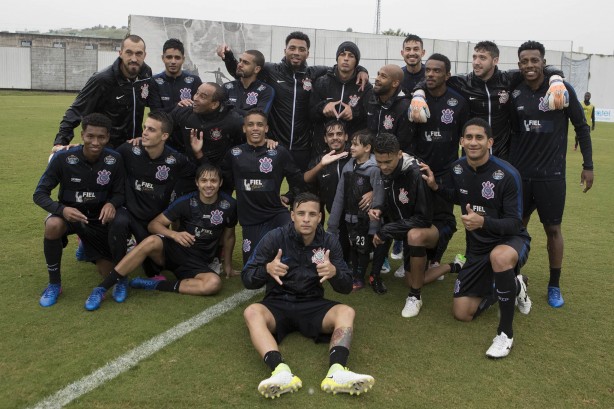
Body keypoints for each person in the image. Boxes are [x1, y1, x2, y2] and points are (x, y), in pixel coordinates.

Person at [242, 192, 375, 398]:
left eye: (312, 214)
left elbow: (346, 287)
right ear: (292, 215)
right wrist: (267, 269)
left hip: (313, 304)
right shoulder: (274, 237)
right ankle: (280, 371)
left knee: (346, 311)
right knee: (252, 312)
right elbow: (247, 278)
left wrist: (335, 273)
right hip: (278, 303)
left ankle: (337, 371)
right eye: (301, 213)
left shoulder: (329, 241)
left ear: (320, 217)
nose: (306, 219)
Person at [421, 117, 532, 358]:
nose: (473, 142)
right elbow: (458, 196)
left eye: (479, 137)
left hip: (510, 241)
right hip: (477, 250)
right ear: (461, 141)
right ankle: (513, 285)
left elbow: (515, 222)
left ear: (489, 142)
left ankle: (505, 334)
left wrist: (483, 222)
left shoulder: (508, 174)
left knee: (500, 257)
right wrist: (435, 187)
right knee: (462, 312)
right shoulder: (457, 168)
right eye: (468, 137)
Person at [83, 164, 238, 311]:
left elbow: (229, 236)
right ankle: (101, 288)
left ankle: (154, 285)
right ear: (197, 183)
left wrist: (228, 266)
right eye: (204, 180)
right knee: (151, 241)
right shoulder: (185, 202)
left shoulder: (229, 205)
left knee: (213, 284)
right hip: (176, 251)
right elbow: (154, 225)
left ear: (220, 183)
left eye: (213, 181)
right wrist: (174, 234)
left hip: (198, 263)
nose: (208, 185)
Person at [509, 41, 594, 308]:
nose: (530, 65)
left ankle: (554, 285)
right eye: (524, 61)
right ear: (519, 63)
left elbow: (581, 127)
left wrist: (588, 165)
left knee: (553, 229)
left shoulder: (561, 89)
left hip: (551, 176)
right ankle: (512, 278)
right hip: (520, 176)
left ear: (543, 62)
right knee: (515, 227)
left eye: (535, 60)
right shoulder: (515, 92)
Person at [218, 31, 368, 171]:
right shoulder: (271, 70)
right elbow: (243, 71)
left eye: (301, 49)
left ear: (307, 53)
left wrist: (361, 69)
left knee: (301, 189)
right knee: (270, 189)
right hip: (275, 144)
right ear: (285, 51)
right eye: (292, 48)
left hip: (303, 148)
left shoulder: (315, 73)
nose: (296, 52)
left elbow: (341, 66)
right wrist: (228, 57)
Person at [409, 40, 567, 160]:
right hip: (472, 155)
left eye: (482, 58)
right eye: (475, 57)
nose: (476, 62)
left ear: (495, 60)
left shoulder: (509, 79)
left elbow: (539, 68)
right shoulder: (462, 82)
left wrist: (556, 79)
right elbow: (434, 78)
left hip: (503, 155)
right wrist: (418, 93)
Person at [35, 113, 126, 307]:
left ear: (108, 137)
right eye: (90, 136)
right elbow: (39, 194)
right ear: (82, 134)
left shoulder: (115, 159)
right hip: (70, 217)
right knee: (52, 225)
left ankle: (86, 245)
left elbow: (120, 193)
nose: (95, 142)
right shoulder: (62, 158)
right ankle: (54, 284)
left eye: (101, 137)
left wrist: (112, 204)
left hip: (97, 221)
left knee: (108, 273)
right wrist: (62, 210)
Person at [108, 111, 196, 299]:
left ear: (164, 136)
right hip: (128, 211)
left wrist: (198, 153)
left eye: (151, 129)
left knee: (155, 269)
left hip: (153, 219)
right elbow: (105, 159)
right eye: (145, 128)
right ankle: (120, 279)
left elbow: (198, 177)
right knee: (118, 222)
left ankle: (137, 250)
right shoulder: (128, 149)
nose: (144, 133)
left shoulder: (175, 160)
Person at [406, 53, 469, 283]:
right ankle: (412, 260)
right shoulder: (417, 100)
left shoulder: (459, 101)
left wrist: (461, 168)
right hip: (420, 170)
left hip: (446, 171)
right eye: (428, 70)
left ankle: (435, 260)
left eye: (436, 71)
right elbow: (409, 136)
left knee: (443, 220)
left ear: (447, 75)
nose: (431, 74)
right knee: (417, 217)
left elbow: (464, 138)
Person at [220, 109, 311, 264]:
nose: (255, 128)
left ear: (266, 128)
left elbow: (298, 181)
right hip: (250, 220)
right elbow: (224, 183)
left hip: (275, 214)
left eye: (260, 124)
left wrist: (289, 197)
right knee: (251, 274)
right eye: (250, 124)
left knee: (296, 240)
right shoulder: (234, 154)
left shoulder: (278, 152)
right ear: (244, 128)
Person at [369, 133, 434, 317]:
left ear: (399, 154)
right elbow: (396, 201)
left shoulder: (415, 172)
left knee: (414, 235)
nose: (383, 167)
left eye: (387, 161)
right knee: (410, 279)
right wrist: (379, 208)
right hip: (407, 226)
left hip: (431, 228)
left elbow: (424, 219)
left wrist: (386, 230)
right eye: (379, 161)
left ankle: (415, 296)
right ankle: (453, 267)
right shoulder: (387, 169)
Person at [53, 34, 152, 150]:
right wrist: (60, 142)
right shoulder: (102, 79)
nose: (134, 59)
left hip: (134, 146)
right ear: (120, 53)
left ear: (145, 55)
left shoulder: (146, 74)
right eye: (129, 53)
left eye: (138, 53)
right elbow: (76, 110)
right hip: (107, 148)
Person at [327, 130, 385, 293]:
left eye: (355, 144)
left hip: (365, 221)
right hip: (349, 219)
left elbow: (379, 196)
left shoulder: (374, 170)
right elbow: (340, 196)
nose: (351, 147)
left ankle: (360, 278)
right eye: (351, 143)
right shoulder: (348, 167)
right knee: (354, 247)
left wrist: (374, 227)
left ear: (367, 148)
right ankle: (355, 275)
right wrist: (332, 224)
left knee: (363, 249)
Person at [309, 41, 372, 155]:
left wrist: (354, 112)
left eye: (351, 56)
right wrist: (323, 107)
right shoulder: (322, 82)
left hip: (352, 150)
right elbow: (309, 113)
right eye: (342, 55)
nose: (346, 59)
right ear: (337, 58)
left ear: (356, 61)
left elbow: (370, 118)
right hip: (322, 148)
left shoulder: (365, 86)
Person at [170, 82, 244, 164]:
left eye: (203, 96)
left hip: (217, 171)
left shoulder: (233, 121)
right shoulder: (183, 111)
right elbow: (162, 128)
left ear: (214, 104)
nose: (195, 98)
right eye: (197, 93)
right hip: (188, 167)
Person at [148, 38, 203, 113]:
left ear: (183, 59)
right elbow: (156, 113)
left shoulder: (194, 81)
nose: (173, 61)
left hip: (186, 124)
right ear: (163, 58)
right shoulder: (154, 81)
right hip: (165, 124)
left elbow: (199, 110)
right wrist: (178, 106)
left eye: (177, 58)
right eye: (169, 57)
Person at [222, 49, 275, 117]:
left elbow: (259, 117)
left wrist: (231, 109)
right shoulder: (226, 87)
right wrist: (247, 112)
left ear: (257, 69)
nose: (240, 64)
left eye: (245, 62)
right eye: (240, 60)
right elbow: (219, 114)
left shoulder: (266, 90)